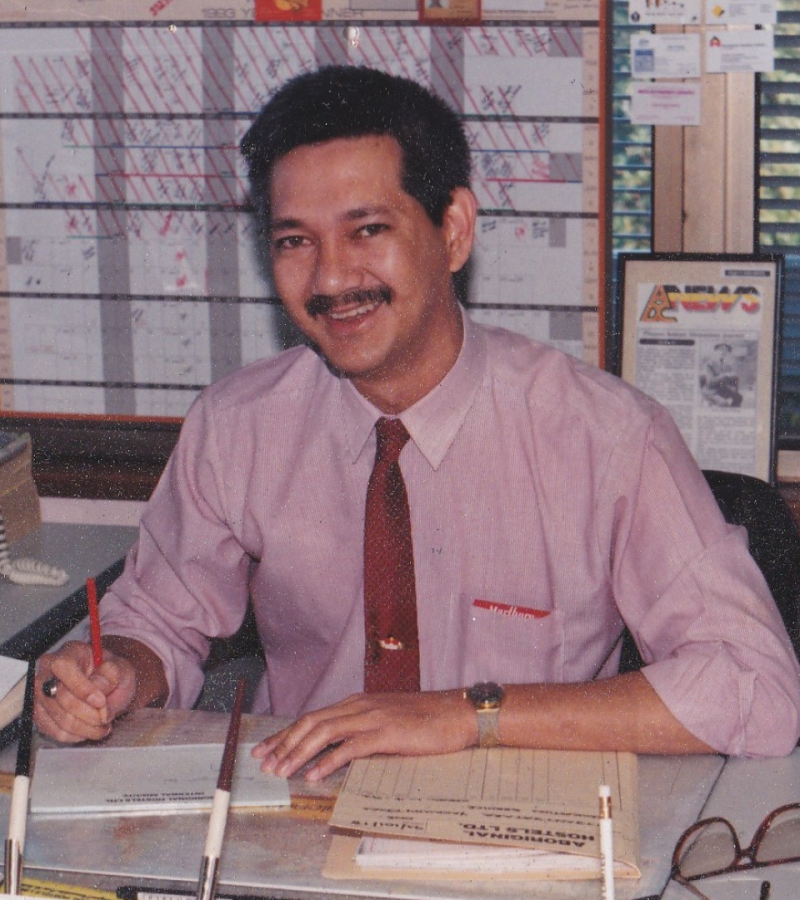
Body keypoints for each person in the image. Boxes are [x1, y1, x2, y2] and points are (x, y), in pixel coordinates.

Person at [35, 66, 800, 778]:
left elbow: (755, 685)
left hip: (524, 820)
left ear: (455, 229)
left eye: (368, 230)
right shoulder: (236, 427)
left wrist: (469, 716)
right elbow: (158, 621)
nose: (331, 278)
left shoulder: (606, 436)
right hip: (301, 823)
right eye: (295, 241)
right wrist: (117, 673)